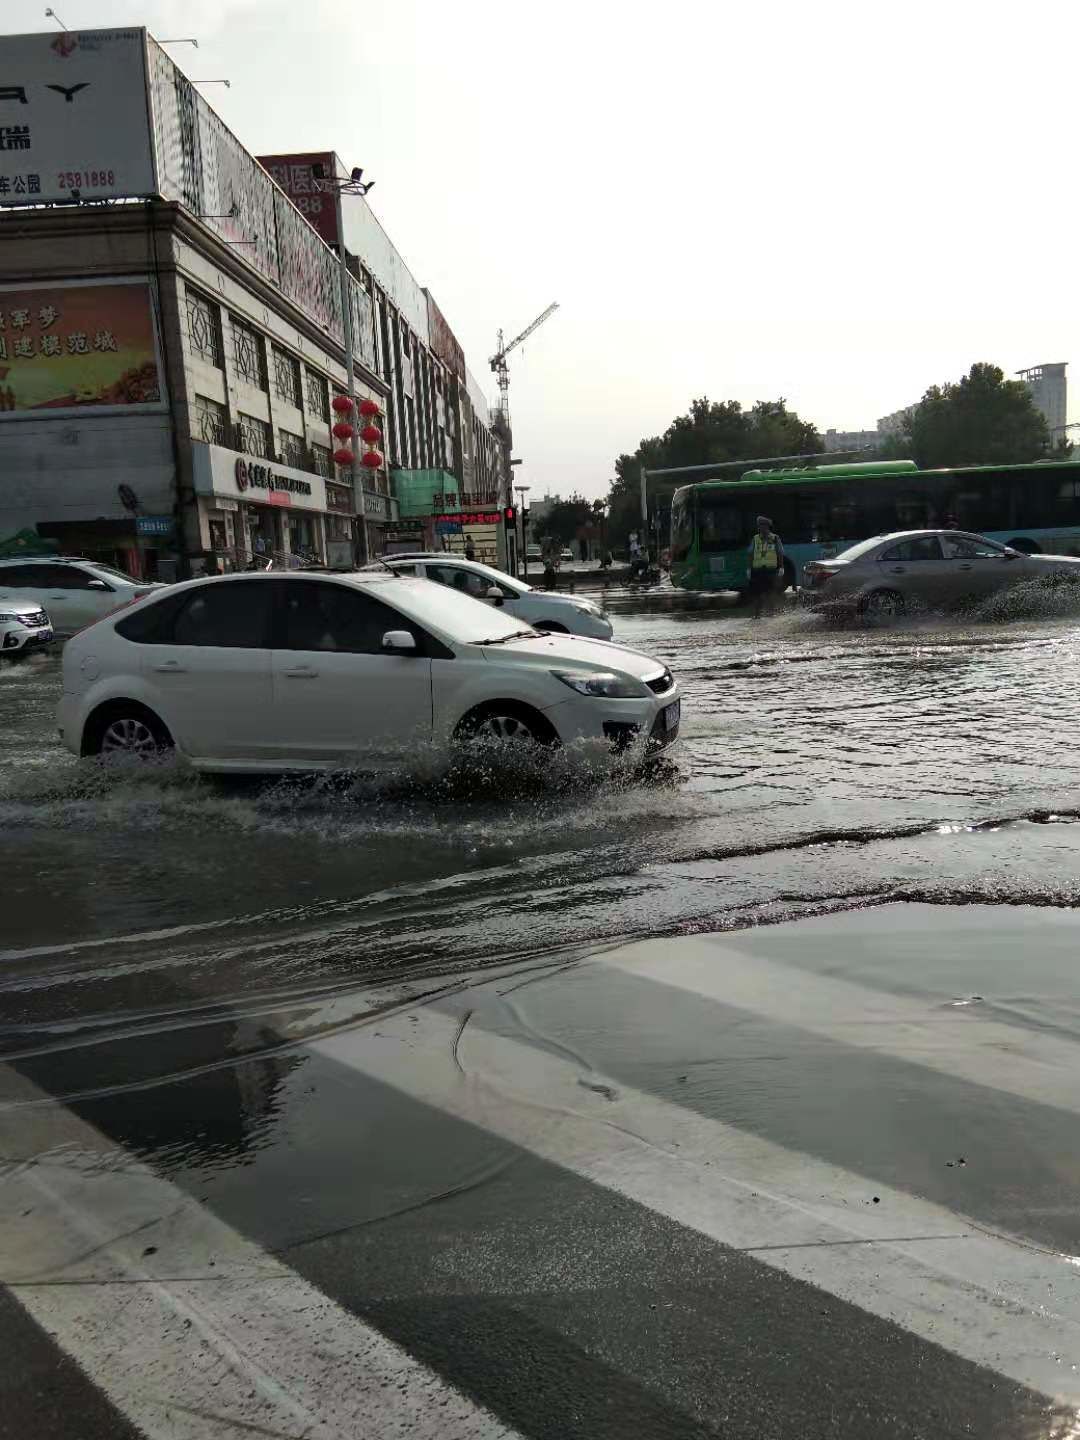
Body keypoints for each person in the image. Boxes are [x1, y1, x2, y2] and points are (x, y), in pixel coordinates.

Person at [747, 515, 784, 616]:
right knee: (757, 594)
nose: (760, 528)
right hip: (757, 571)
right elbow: (750, 554)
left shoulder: (775, 538)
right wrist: (749, 569)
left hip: (770, 571)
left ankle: (771, 613)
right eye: (759, 526)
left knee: (770, 593)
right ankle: (757, 615)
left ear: (767, 526)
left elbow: (780, 553)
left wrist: (781, 568)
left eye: (762, 525)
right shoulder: (755, 539)